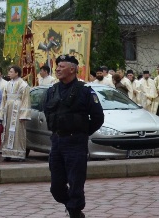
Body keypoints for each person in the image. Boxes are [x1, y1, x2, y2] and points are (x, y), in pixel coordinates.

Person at [42, 55, 104, 218]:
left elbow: (98, 117)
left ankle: (75, 212)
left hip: (76, 142)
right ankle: (71, 205)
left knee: (76, 182)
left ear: (72, 69)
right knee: (56, 187)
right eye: (57, 67)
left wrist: (82, 132)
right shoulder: (52, 91)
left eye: (61, 66)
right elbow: (47, 112)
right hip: (57, 141)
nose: (57, 69)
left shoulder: (85, 91)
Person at [0, 65, 30, 161]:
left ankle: (19, 153)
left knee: (18, 131)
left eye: (11, 71)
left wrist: (24, 114)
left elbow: (26, 100)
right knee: (7, 130)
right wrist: (1, 113)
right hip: (8, 109)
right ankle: (7, 153)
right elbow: (3, 98)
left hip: (18, 109)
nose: (9, 73)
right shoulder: (7, 84)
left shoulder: (23, 85)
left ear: (17, 73)